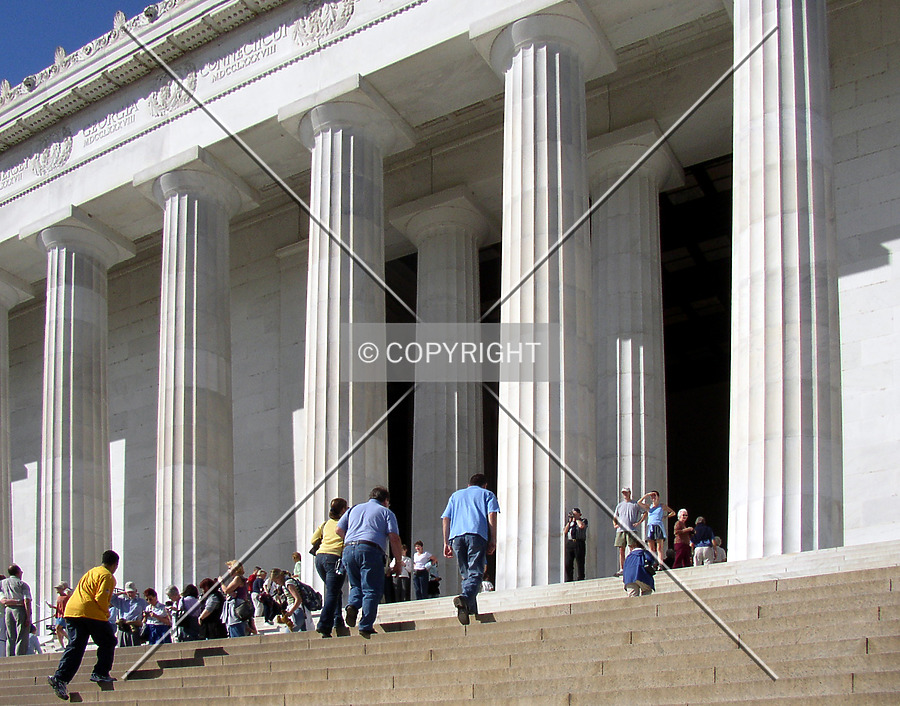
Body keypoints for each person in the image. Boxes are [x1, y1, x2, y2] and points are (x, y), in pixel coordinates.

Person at [47, 550, 120, 700]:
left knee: (76, 646)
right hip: (90, 612)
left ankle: (60, 678)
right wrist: (106, 612)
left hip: (72, 611)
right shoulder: (107, 576)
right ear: (114, 565)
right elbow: (101, 598)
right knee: (109, 641)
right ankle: (100, 672)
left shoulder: (92, 571)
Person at [336, 486, 403, 637]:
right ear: (386, 500)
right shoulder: (386, 512)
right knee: (371, 589)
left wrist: (350, 538)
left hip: (348, 549)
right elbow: (394, 537)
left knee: (356, 585)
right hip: (370, 549)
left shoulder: (353, 509)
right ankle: (365, 625)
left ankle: (352, 605)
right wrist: (398, 561)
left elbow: (338, 529)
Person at [441, 473, 500, 625]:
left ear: (468, 485)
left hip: (456, 536)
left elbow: (446, 518)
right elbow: (491, 515)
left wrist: (445, 542)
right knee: (475, 573)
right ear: (484, 485)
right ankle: (466, 598)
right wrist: (493, 538)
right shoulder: (487, 494)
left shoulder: (455, 496)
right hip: (476, 533)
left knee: (466, 574)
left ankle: (469, 609)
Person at [310, 497, 349, 637]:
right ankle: (324, 624)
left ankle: (338, 620)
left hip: (320, 558)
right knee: (332, 592)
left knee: (334, 590)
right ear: (343, 509)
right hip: (334, 558)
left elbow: (313, 540)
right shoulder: (345, 523)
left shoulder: (325, 524)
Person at [1, 564, 33, 656]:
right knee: (22, 635)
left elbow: (2, 597)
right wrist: (28, 617)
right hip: (20, 610)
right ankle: (19, 656)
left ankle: (10, 656)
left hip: (8, 610)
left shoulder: (3, 583)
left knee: (10, 636)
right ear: (18, 572)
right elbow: (27, 600)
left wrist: (7, 601)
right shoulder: (22, 584)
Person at [613, 488, 645, 577]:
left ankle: (633, 566)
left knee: (632, 548)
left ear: (629, 493)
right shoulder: (620, 505)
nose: (625, 495)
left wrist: (639, 522)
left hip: (631, 529)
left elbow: (644, 513)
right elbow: (615, 516)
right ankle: (622, 568)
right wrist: (615, 524)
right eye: (623, 493)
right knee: (621, 549)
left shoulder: (635, 504)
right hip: (621, 530)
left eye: (626, 493)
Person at [637, 490, 675, 563]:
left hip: (658, 526)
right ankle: (652, 562)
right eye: (652, 496)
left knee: (659, 547)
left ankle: (660, 563)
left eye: (655, 496)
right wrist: (647, 495)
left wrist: (665, 517)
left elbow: (673, 512)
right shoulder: (649, 507)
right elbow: (639, 502)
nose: (653, 498)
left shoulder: (662, 506)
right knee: (651, 547)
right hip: (651, 527)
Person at [109, 581, 147, 647]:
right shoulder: (121, 601)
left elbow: (145, 614)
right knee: (121, 647)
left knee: (135, 647)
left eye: (132, 592)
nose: (130, 594)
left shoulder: (141, 602)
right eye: (128, 592)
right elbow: (110, 598)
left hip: (134, 628)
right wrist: (121, 593)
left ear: (136, 591)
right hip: (123, 627)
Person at [222, 560, 252, 638]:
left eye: (229, 568)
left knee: (236, 630)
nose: (228, 571)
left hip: (236, 608)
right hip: (237, 606)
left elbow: (226, 590)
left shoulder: (237, 578)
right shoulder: (240, 579)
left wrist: (221, 583)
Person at [563, 507, 588, 582]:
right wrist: (569, 522)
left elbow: (581, 526)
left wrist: (577, 518)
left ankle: (581, 577)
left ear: (579, 514)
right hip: (570, 542)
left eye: (575, 513)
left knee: (580, 561)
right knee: (568, 562)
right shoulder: (570, 523)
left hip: (579, 542)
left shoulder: (583, 520)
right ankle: (569, 578)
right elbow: (565, 531)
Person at [46, 581, 72, 649]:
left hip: (63, 616)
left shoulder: (66, 597)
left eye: (58, 588)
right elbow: (59, 607)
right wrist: (53, 608)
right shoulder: (58, 598)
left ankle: (70, 639)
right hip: (59, 616)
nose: (57, 590)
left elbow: (66, 606)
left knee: (58, 628)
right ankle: (62, 646)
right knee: (57, 631)